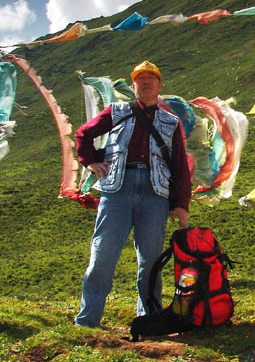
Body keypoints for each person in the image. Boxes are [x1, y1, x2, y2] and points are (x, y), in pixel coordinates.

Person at [73, 60, 191, 328]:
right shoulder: (116, 111)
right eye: (140, 78)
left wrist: (180, 204)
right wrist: (90, 161)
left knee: (151, 259)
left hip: (155, 193)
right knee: (103, 253)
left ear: (160, 86)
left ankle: (149, 319)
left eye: (151, 78)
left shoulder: (170, 122)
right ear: (133, 85)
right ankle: (87, 320)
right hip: (117, 188)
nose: (146, 82)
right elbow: (83, 135)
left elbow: (179, 166)